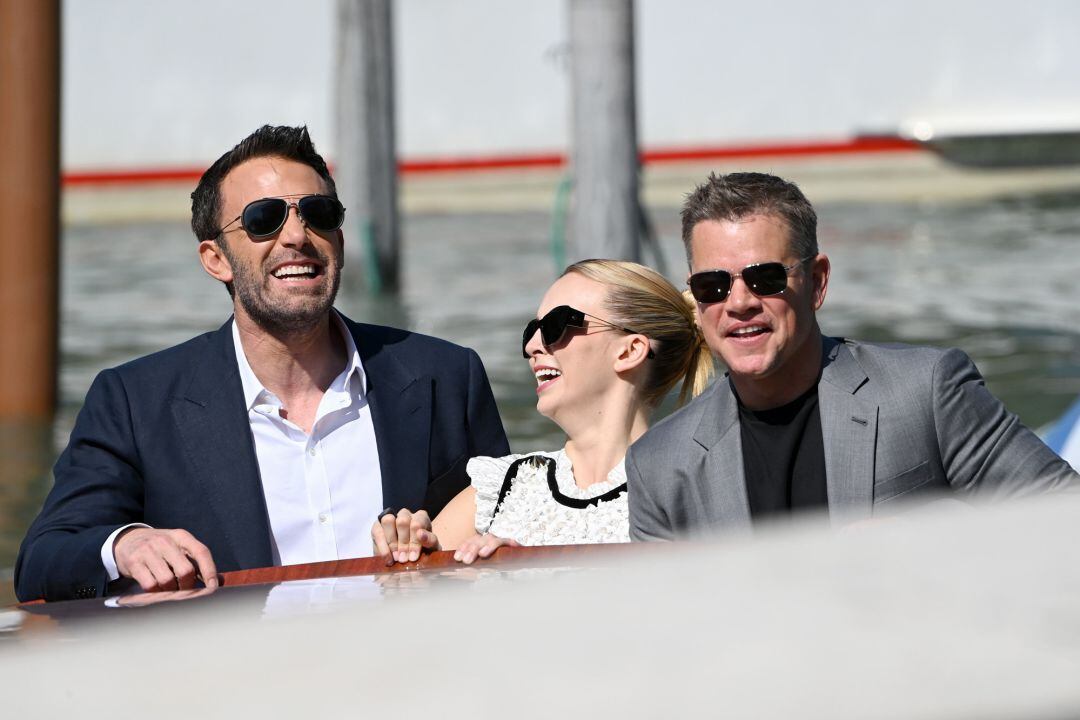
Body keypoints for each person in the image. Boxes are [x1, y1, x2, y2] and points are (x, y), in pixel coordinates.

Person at [15, 125, 509, 602]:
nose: (297, 234)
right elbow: (43, 561)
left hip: (415, 674)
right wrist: (124, 545)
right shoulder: (135, 401)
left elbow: (509, 534)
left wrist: (441, 553)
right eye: (263, 219)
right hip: (235, 680)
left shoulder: (447, 376)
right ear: (216, 259)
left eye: (318, 213)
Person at [628, 172, 1079, 540]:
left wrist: (932, 537)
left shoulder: (926, 391)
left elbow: (1062, 517)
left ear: (818, 282)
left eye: (765, 277)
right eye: (714, 285)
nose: (739, 301)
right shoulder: (661, 465)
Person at [371, 259, 713, 564]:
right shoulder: (500, 488)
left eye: (556, 326)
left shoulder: (693, 490)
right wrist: (406, 552)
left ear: (630, 350)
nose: (533, 347)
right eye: (531, 330)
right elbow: (408, 607)